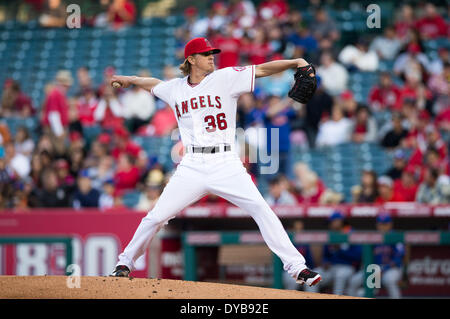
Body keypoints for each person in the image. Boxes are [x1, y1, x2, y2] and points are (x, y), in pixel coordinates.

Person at [109, 37, 321, 286]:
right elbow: (154, 84)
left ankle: (297, 267)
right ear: (191, 59)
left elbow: (263, 69)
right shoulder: (175, 88)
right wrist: (131, 80)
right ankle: (124, 262)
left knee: (261, 209)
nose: (212, 57)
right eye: (206, 54)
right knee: (156, 217)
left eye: (212, 53)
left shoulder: (225, 77)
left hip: (225, 162)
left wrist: (295, 62)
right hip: (192, 164)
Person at [348, 214, 404, 298]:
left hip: (392, 269)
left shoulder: (396, 236)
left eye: (385, 224)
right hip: (375, 269)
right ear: (377, 225)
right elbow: (366, 257)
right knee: (354, 281)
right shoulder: (373, 237)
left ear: (390, 224)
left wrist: (384, 269)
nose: (383, 226)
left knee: (389, 280)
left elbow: (398, 258)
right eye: (381, 224)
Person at [305, 211, 361, 295]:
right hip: (331, 267)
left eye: (332, 222)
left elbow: (358, 256)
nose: (331, 224)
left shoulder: (351, 233)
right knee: (311, 277)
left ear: (340, 221)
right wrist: (325, 262)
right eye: (330, 222)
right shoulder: (331, 234)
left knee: (340, 275)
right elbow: (325, 255)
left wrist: (340, 251)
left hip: (347, 267)